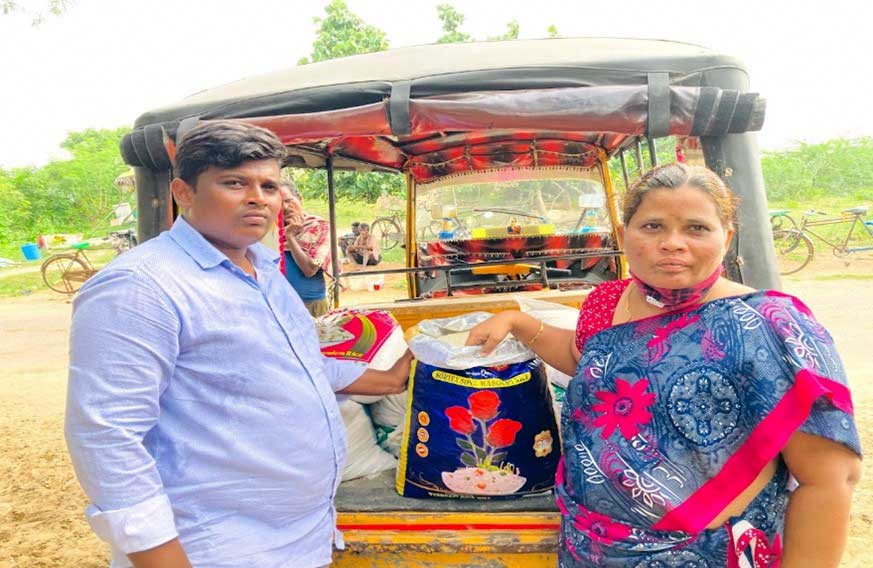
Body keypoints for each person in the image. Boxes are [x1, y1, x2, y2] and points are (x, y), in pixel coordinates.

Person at [466, 163, 862, 567]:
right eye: (653, 226)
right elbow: (580, 358)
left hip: (708, 555)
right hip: (591, 549)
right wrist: (516, 322)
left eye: (696, 228)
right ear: (624, 235)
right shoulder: (607, 302)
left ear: (725, 237)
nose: (673, 243)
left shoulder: (770, 325)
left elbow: (829, 479)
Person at [65, 120, 412, 568]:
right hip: (215, 547)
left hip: (301, 537)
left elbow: (298, 364)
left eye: (269, 186)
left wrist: (389, 378)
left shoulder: (265, 270)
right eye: (234, 183)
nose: (257, 198)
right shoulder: (141, 287)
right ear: (183, 192)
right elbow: (106, 437)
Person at [279, 181, 334, 317]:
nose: (285, 207)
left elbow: (310, 269)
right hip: (279, 306)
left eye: (288, 201)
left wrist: (290, 237)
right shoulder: (271, 230)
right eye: (279, 203)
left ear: (300, 199)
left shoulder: (320, 227)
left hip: (310, 306)